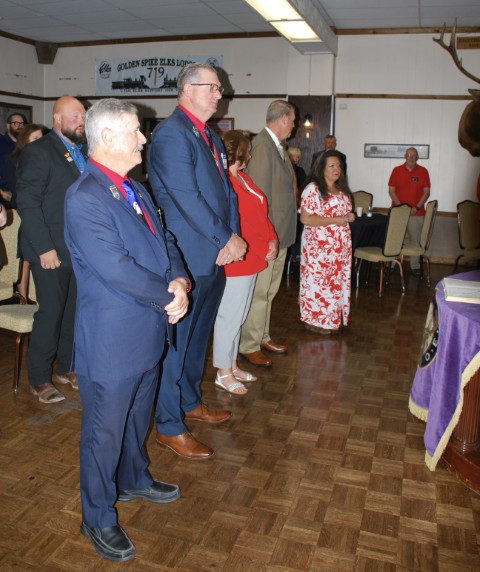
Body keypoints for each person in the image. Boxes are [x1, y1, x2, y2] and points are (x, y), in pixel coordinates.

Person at [64, 98, 188, 563]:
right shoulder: (85, 196)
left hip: (148, 330)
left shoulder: (132, 186)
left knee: (137, 419)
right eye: (136, 130)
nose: (143, 138)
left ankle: (134, 478)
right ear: (108, 138)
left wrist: (180, 280)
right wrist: (169, 296)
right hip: (112, 341)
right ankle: (96, 517)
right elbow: (116, 269)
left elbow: (165, 240)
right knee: (104, 434)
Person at [148, 63, 247, 460]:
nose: (220, 94)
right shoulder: (172, 134)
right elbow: (186, 199)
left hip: (214, 255)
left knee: (196, 341)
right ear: (188, 89)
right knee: (177, 345)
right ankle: (168, 426)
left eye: (220, 88)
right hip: (187, 256)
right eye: (213, 87)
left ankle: (188, 402)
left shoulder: (209, 135)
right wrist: (226, 237)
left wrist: (231, 238)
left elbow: (228, 194)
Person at [16, 96, 86, 403]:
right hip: (50, 250)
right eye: (75, 116)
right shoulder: (38, 151)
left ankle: (67, 368)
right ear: (57, 118)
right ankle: (39, 378)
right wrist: (44, 248)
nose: (81, 121)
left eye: (83, 116)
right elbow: (28, 203)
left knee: (74, 312)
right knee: (51, 314)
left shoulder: (84, 151)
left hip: (79, 249)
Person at [213, 130, 278, 394]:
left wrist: (272, 239)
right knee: (229, 316)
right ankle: (222, 372)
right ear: (239, 152)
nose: (250, 155)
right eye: (248, 150)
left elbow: (261, 215)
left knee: (239, 316)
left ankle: (232, 364)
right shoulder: (223, 181)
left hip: (252, 257)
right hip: (237, 259)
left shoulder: (244, 178)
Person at [238, 100, 297, 367]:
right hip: (268, 236)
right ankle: (249, 344)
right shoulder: (262, 146)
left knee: (269, 292)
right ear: (282, 118)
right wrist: (268, 236)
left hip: (280, 233)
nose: (294, 125)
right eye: (292, 120)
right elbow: (258, 199)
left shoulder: (277, 146)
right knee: (260, 292)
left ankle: (262, 336)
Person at [300, 150, 355, 335]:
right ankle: (314, 320)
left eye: (338, 165)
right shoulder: (313, 189)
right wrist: (335, 220)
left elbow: (342, 213)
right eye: (332, 165)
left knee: (334, 284)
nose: (336, 169)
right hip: (319, 248)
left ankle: (331, 318)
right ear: (321, 168)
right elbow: (306, 219)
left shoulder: (342, 190)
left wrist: (349, 216)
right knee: (318, 284)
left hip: (339, 248)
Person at [5, 124, 44, 300]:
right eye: (35, 138)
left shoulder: (44, 159)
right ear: (25, 139)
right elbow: (18, 190)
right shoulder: (15, 160)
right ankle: (23, 299)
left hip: (41, 210)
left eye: (41, 138)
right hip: (23, 211)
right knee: (25, 259)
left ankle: (33, 297)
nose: (39, 142)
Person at [388, 147, 431, 276]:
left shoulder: (423, 171)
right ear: (405, 156)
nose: (411, 157)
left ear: (417, 157)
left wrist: (416, 207)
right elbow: (391, 191)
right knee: (394, 239)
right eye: (409, 155)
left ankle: (415, 266)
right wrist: (402, 208)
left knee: (415, 241)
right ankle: (390, 264)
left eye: (413, 155)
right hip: (398, 213)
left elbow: (426, 192)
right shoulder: (396, 170)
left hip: (416, 213)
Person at [0, 112, 27, 203]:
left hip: (23, 192)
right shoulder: (1, 144)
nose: (20, 126)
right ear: (8, 126)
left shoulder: (26, 146)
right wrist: (1, 192)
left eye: (22, 123)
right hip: (6, 193)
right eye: (16, 123)